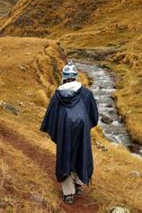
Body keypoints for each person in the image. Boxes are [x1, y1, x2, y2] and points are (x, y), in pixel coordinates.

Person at [40, 62, 99, 205]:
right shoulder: (86, 93)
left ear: (64, 77)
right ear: (75, 77)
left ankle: (68, 194)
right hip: (82, 129)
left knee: (65, 155)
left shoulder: (57, 95)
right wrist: (84, 125)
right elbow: (94, 115)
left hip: (64, 130)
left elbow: (51, 117)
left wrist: (57, 131)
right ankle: (79, 184)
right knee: (81, 153)